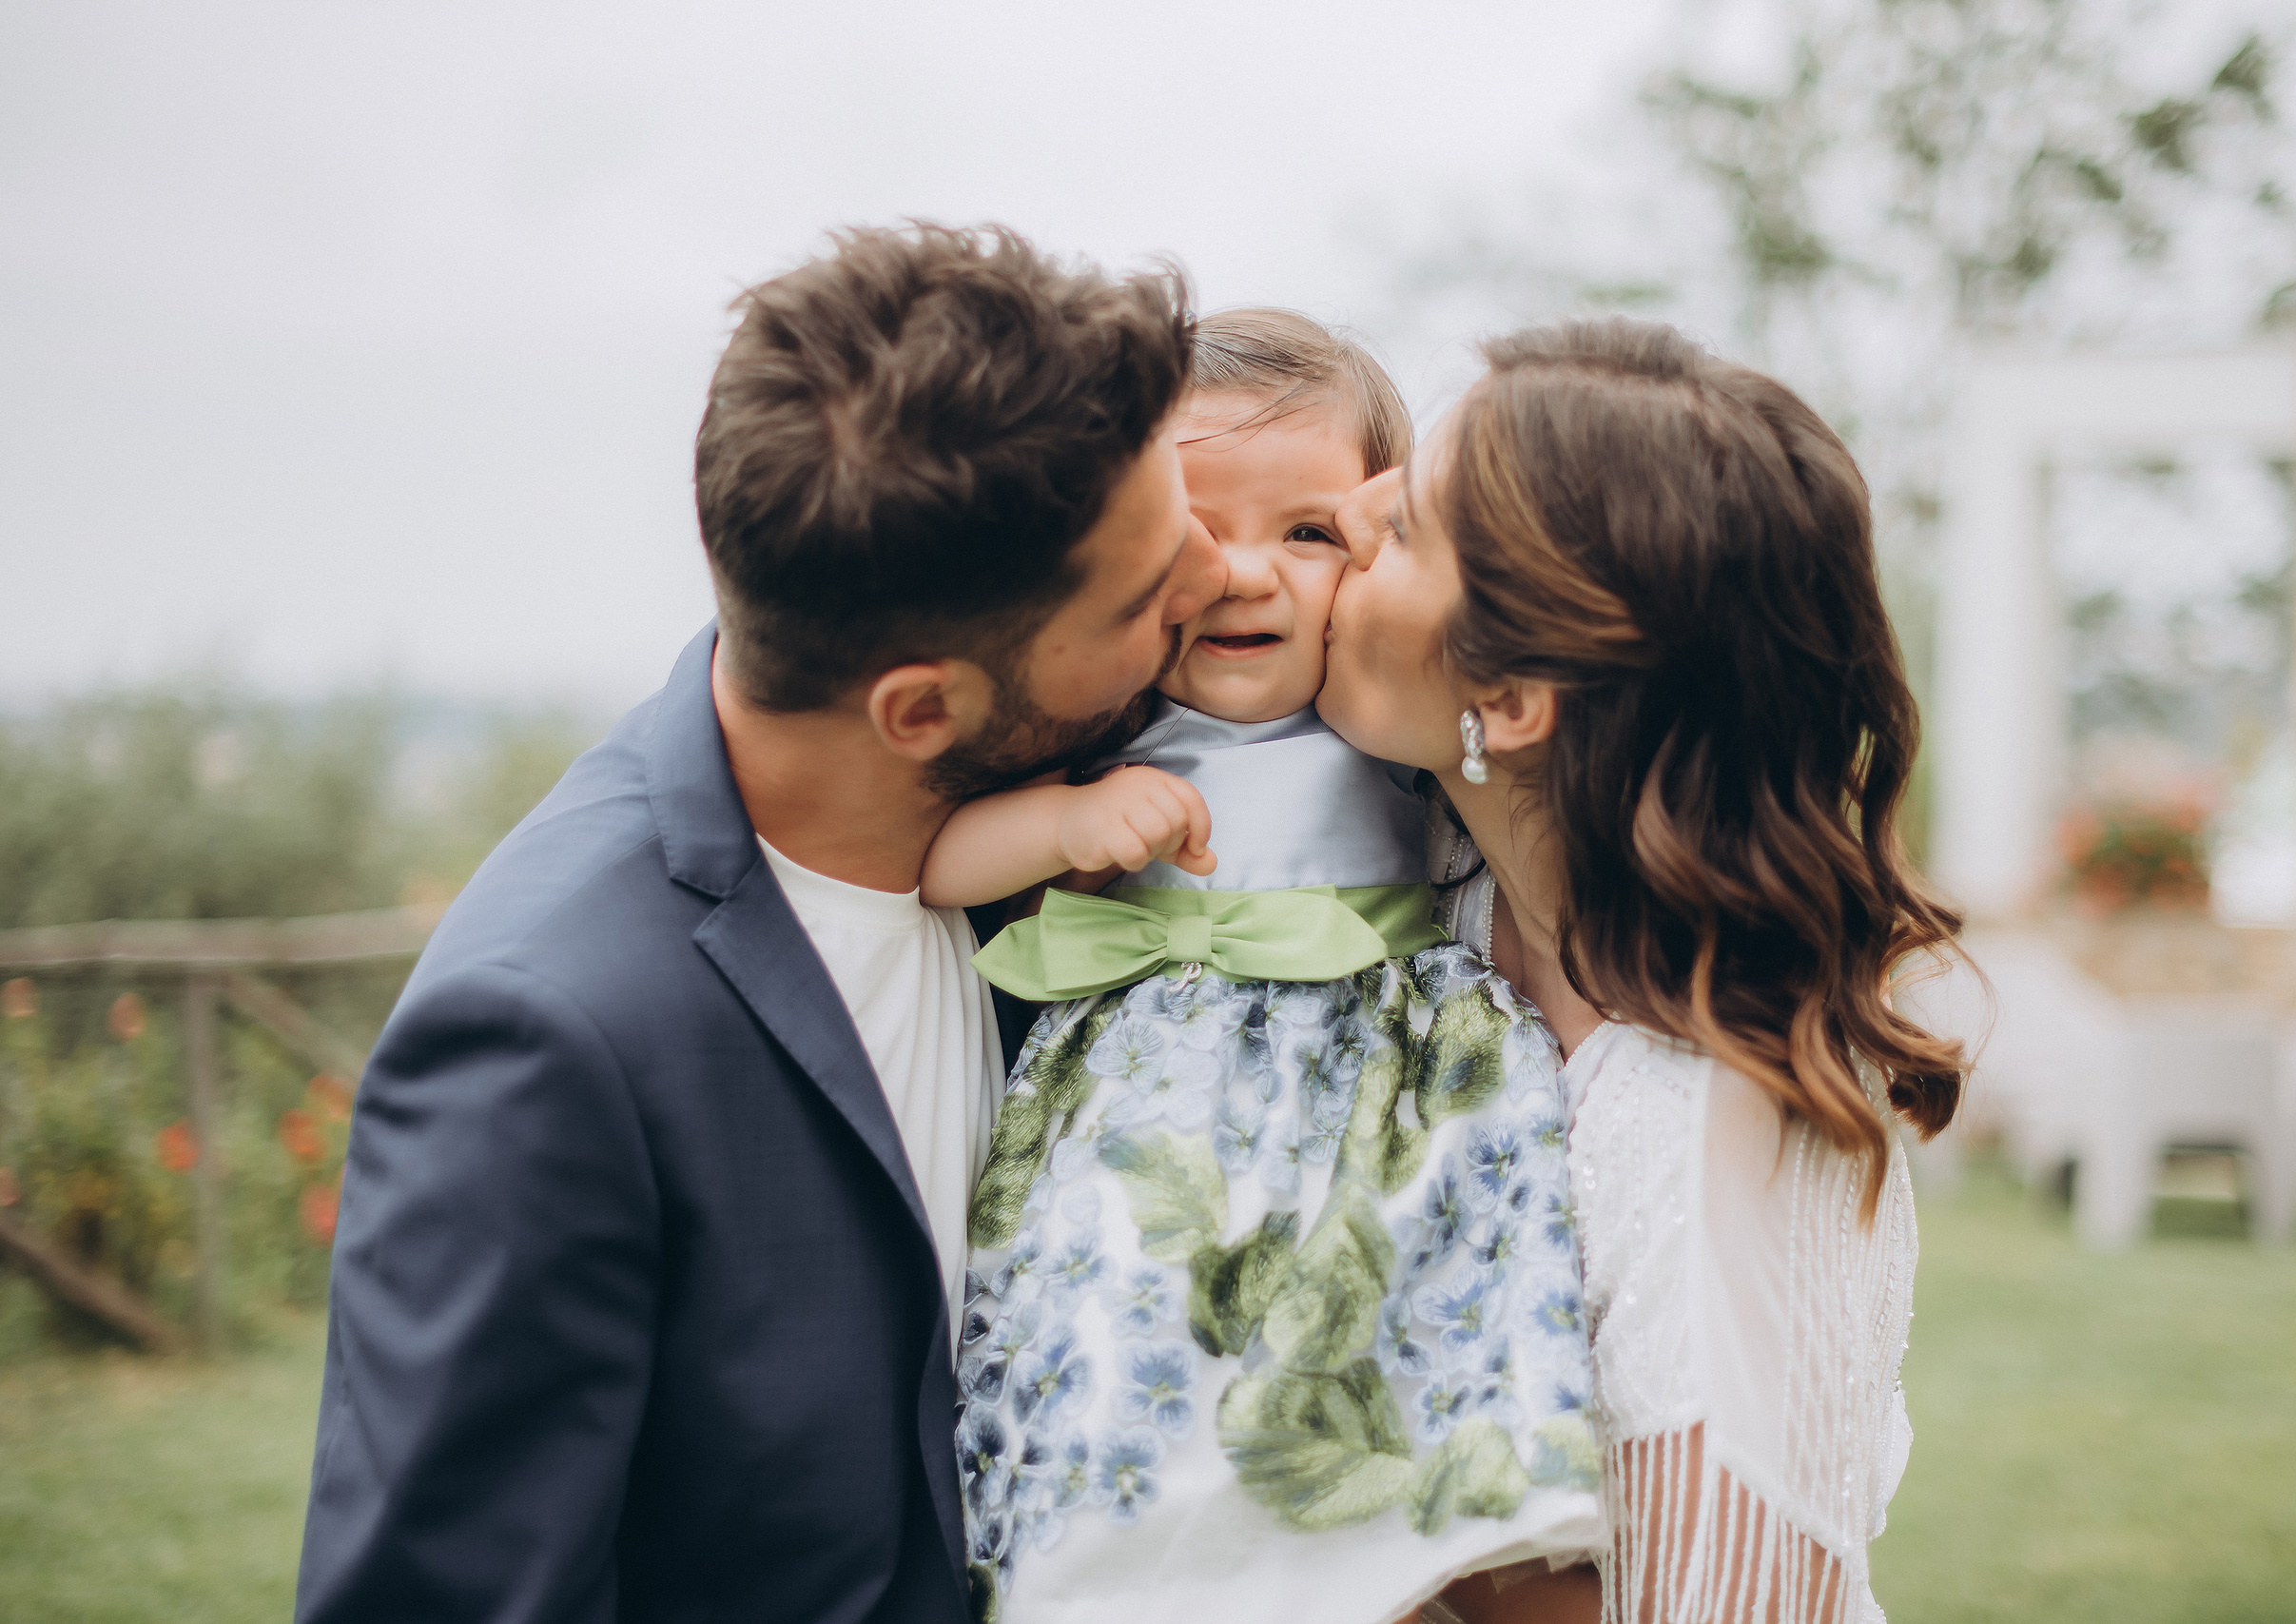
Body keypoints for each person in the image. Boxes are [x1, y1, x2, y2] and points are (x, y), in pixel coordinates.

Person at [293, 224, 1224, 1624]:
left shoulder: (1070, 798)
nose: (1217, 580)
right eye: (1152, 594)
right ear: (924, 709)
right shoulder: (549, 1041)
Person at [920, 310, 1603, 1624]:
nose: (1244, 574)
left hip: (1385, 1130)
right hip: (1153, 1124)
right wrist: (1066, 825)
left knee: (1436, 1407)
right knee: (1131, 1360)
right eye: (1195, 528)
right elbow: (942, 862)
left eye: (1308, 532)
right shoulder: (1101, 729)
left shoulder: (1392, 725)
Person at [1318, 318, 1968, 1623]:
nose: (1351, 506)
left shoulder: (1716, 1129)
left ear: (1509, 702)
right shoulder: (1417, 885)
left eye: (1406, 531)